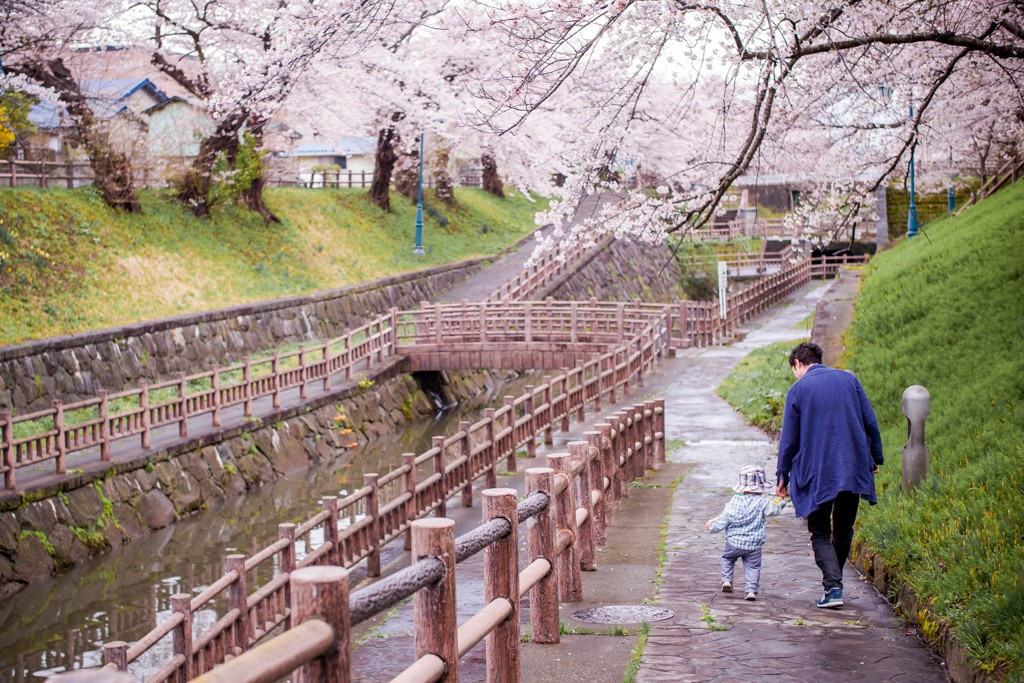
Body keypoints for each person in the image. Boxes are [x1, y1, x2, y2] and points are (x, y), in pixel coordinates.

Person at [775, 341, 883, 609]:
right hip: (854, 463)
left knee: (820, 529)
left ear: (798, 364)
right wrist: (875, 457)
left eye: (793, 370)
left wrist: (782, 475)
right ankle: (833, 584)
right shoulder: (849, 379)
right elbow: (870, 421)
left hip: (819, 468)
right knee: (844, 527)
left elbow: (789, 439)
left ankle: (833, 586)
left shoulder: (798, 390)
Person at [706, 465, 788, 601]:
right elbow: (774, 511)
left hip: (733, 543)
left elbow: (724, 519)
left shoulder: (733, 502)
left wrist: (712, 527)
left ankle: (727, 580)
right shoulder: (762, 502)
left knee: (727, 559)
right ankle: (751, 590)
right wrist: (781, 500)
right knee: (753, 567)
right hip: (754, 545)